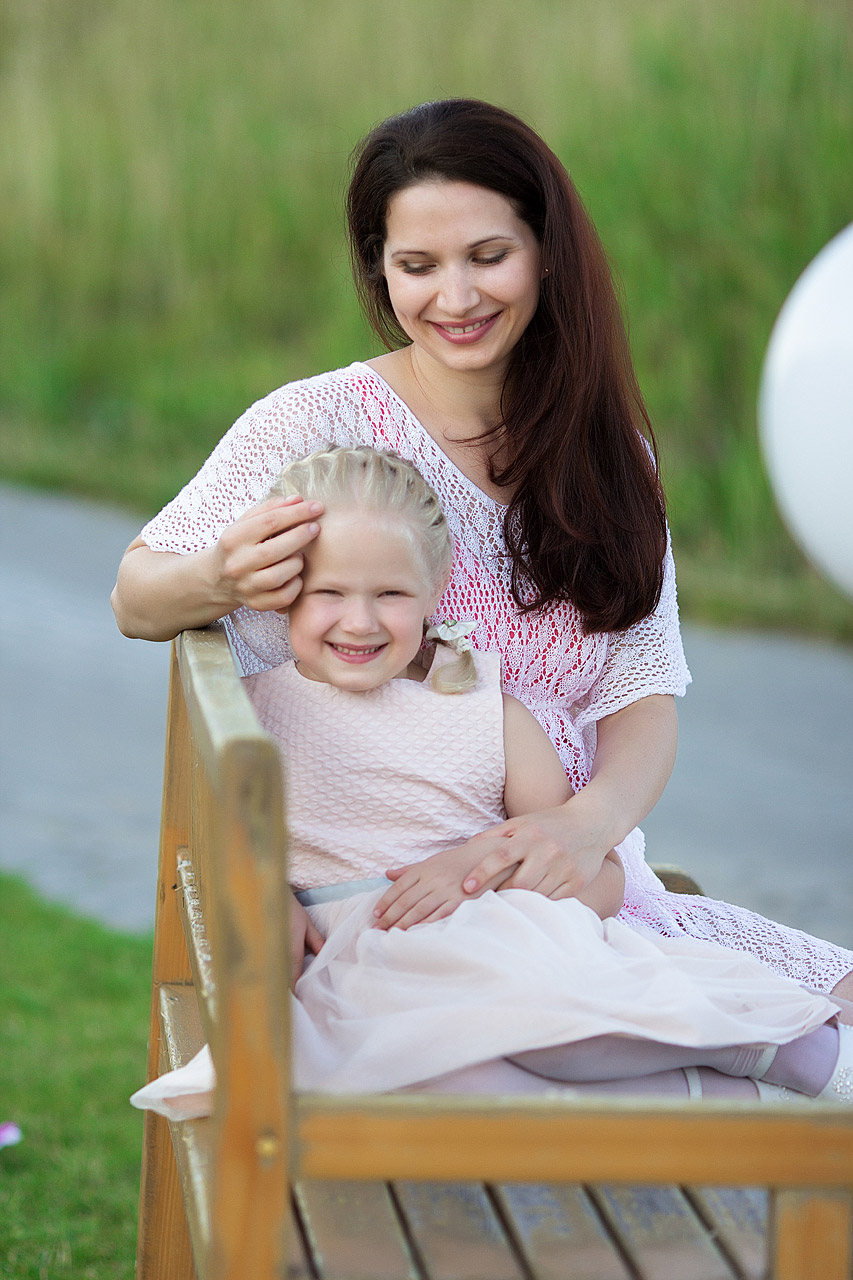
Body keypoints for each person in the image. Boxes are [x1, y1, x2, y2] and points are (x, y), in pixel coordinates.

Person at [112, 97, 853, 1002]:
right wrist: (216, 576)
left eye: (488, 257)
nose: (455, 299)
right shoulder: (314, 428)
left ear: (546, 252)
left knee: (829, 1003)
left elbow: (640, 694)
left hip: (565, 883)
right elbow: (135, 597)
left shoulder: (610, 453)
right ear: (380, 273)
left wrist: (585, 827)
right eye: (416, 266)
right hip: (371, 909)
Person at [130, 447, 852, 1119]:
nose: (359, 620)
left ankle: (791, 1054)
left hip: (500, 948)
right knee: (444, 1079)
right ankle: (735, 1107)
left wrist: (479, 871)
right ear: (283, 590)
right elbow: (223, 848)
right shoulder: (257, 710)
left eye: (388, 592)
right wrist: (268, 893)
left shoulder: (483, 711)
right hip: (364, 980)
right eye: (328, 592)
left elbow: (594, 875)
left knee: (550, 1025)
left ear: (432, 591)